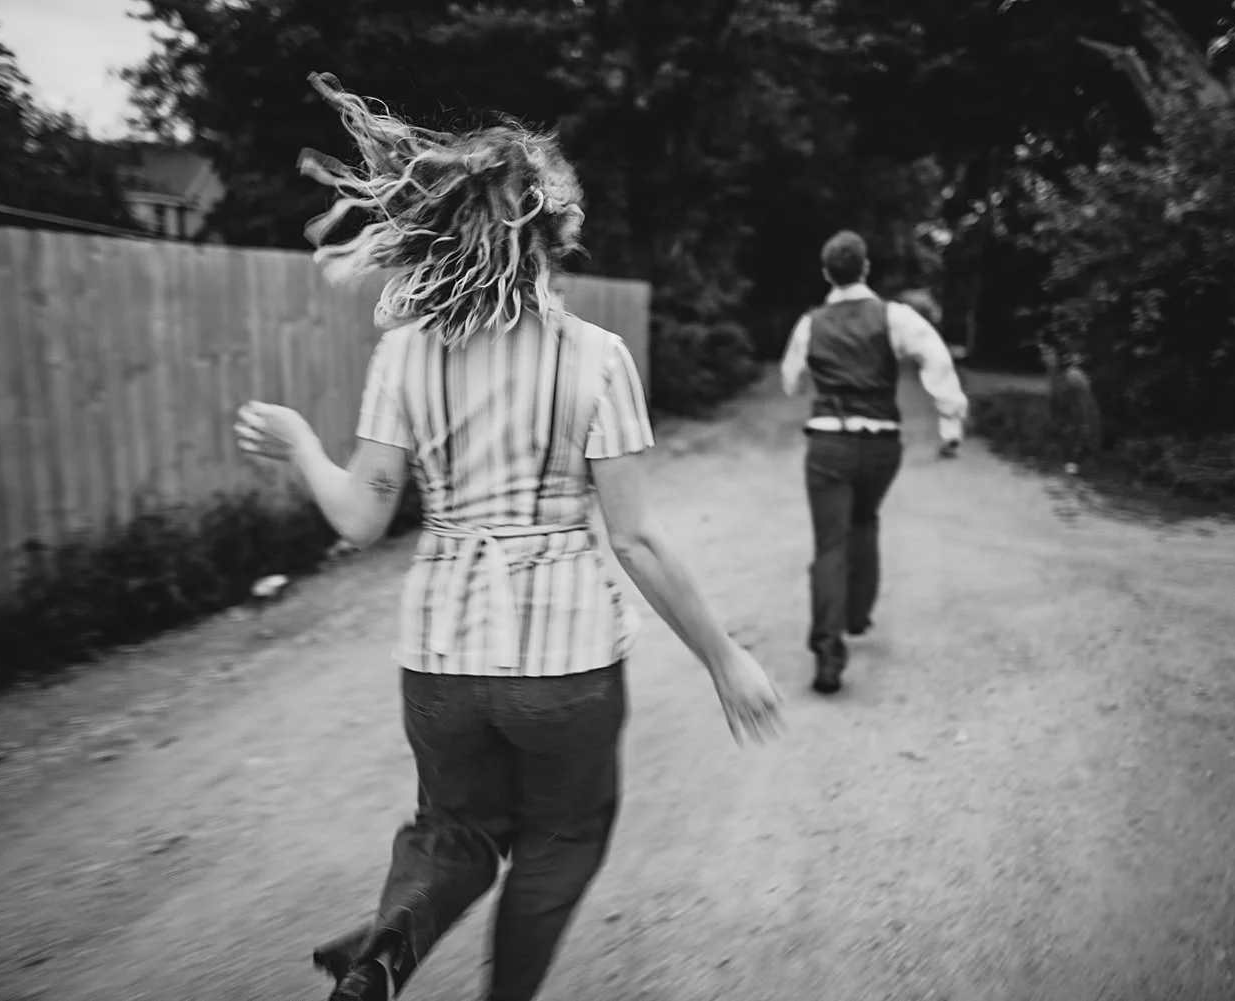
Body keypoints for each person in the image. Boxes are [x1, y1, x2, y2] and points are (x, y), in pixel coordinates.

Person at [232, 72, 784, 1001]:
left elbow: (360, 517)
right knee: (565, 837)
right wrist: (724, 658)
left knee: (454, 831)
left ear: (441, 229)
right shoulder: (597, 358)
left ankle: (385, 954)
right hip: (565, 664)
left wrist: (299, 447)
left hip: (439, 660)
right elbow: (637, 541)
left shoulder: (405, 352)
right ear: (550, 231)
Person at [779, 230, 969, 695]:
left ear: (827, 274)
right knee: (864, 520)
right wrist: (950, 426)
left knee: (830, 543)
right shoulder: (895, 317)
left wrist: (814, 379)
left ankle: (828, 653)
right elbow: (936, 359)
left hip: (828, 443)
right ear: (865, 268)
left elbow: (790, 381)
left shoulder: (811, 323)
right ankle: (858, 614)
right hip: (881, 445)